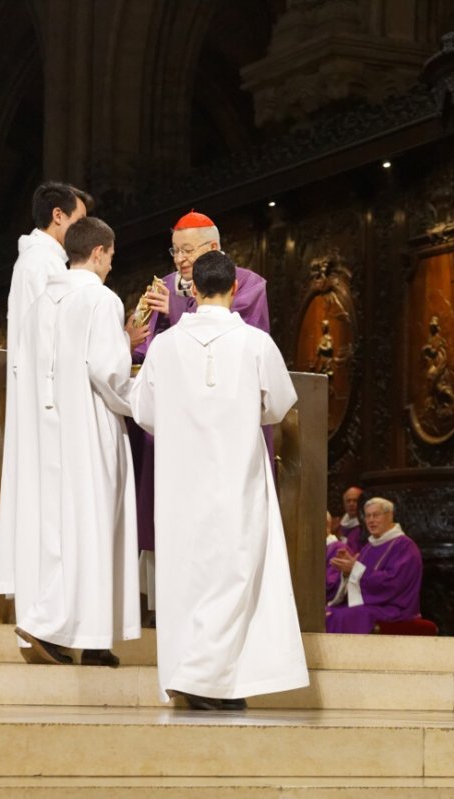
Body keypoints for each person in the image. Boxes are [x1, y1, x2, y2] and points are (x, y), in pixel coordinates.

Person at [132, 250, 307, 711]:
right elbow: (278, 404)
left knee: (185, 579)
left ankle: (207, 679)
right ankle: (208, 678)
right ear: (233, 288)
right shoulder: (254, 343)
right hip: (236, 478)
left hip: (178, 485)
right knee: (234, 575)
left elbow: (144, 413)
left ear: (190, 290)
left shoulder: (165, 346)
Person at [6, 216, 140, 667]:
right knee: (98, 527)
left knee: (63, 533)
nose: (110, 266)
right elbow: (109, 372)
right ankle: (62, 629)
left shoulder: (42, 302)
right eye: (111, 257)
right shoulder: (101, 299)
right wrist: (144, 403)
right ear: (99, 252)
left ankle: (85, 637)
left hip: (49, 431)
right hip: (91, 426)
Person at [129, 209, 272, 611]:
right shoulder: (168, 284)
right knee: (173, 513)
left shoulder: (244, 283)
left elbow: (238, 337)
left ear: (213, 247)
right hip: (178, 420)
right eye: (174, 251)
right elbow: (146, 348)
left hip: (225, 421)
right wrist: (137, 327)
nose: (179, 260)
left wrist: (176, 310)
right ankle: (163, 605)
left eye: (187, 250)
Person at [0, 181, 91, 604]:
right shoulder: (40, 264)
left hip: (49, 392)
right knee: (47, 501)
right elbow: (50, 336)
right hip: (48, 397)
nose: (85, 233)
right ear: (58, 216)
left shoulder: (46, 261)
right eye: (80, 221)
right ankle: (46, 603)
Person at [326, 497, 423, 634]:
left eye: (376, 515)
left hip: (395, 608)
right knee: (327, 612)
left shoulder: (404, 546)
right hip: (372, 604)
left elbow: (392, 583)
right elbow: (360, 580)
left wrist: (355, 569)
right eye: (368, 516)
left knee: (343, 616)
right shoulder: (368, 547)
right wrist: (347, 572)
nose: (371, 520)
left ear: (390, 516)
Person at [337, 485, 366, 553]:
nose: (351, 504)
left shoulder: (366, 527)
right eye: (348, 501)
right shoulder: (338, 526)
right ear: (344, 504)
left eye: (355, 500)